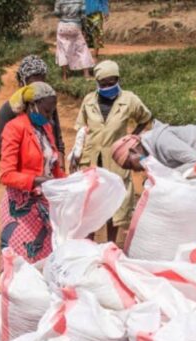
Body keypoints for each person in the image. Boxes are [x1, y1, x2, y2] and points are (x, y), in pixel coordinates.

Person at [111, 121, 196, 241]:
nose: (136, 170)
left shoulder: (162, 142)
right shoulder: (149, 153)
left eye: (131, 166)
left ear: (134, 151)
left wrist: (166, 177)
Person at [74, 60, 152, 243]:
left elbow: (145, 117)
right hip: (91, 160)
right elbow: (81, 128)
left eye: (112, 82)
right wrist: (76, 153)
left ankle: (110, 244)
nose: (109, 87)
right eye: (104, 83)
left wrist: (132, 138)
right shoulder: (89, 101)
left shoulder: (129, 99)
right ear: (97, 83)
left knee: (114, 206)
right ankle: (88, 245)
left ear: (118, 80)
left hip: (115, 161)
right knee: (90, 206)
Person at [0, 82, 66, 263]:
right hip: (21, 208)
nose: (49, 116)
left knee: (47, 260)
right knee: (23, 263)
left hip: (43, 205)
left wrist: (73, 181)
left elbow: (53, 168)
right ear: (31, 105)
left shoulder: (46, 129)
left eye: (52, 111)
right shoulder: (14, 128)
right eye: (46, 111)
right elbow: (6, 175)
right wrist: (37, 180)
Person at [0, 55, 65, 166]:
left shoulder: (47, 104)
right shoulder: (8, 111)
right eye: (33, 81)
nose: (39, 86)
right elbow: (4, 151)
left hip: (49, 171)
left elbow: (57, 140)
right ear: (22, 81)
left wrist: (60, 169)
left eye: (42, 80)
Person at [54, 0, 93, 81]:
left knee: (62, 50)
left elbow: (56, 13)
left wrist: (65, 15)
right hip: (75, 26)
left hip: (62, 26)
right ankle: (86, 74)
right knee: (82, 49)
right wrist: (84, 29)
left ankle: (64, 76)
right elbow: (83, 16)